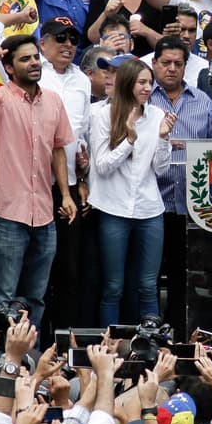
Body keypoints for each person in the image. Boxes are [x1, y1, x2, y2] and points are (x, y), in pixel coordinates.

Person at [0, 36, 75, 328]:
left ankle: (30, 359)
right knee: (4, 298)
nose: (34, 63)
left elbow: (58, 149)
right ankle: (3, 360)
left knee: (36, 296)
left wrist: (66, 194)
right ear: (8, 68)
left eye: (35, 57)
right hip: (8, 211)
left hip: (45, 212)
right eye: (25, 59)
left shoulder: (54, 100)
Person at [149, 35, 212, 332]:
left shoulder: (201, 100)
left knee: (187, 277)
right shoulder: (145, 97)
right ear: (154, 64)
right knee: (151, 276)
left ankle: (184, 335)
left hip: (193, 207)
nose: (171, 69)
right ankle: (152, 333)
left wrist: (192, 148)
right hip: (153, 204)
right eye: (165, 63)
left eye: (178, 64)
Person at [88, 58, 174, 324]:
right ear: (128, 83)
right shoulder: (103, 115)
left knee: (149, 284)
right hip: (113, 207)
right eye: (142, 82)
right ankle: (108, 346)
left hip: (149, 209)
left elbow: (161, 169)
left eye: (150, 82)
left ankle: (151, 345)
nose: (148, 88)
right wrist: (129, 141)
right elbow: (101, 166)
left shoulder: (157, 115)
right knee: (114, 285)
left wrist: (162, 138)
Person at [37, 18, 91, 331]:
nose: (68, 44)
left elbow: (81, 135)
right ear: (43, 43)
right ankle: (36, 343)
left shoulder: (82, 80)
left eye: (73, 39)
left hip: (68, 184)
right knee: (40, 271)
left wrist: (83, 178)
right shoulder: (35, 74)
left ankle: (66, 344)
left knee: (71, 270)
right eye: (60, 38)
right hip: (34, 185)